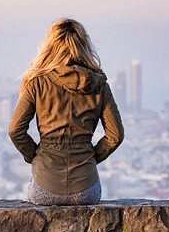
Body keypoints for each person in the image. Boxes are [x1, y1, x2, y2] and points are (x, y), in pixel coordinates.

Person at [8, 18, 124, 205]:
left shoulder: (36, 82)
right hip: (87, 190)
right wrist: (91, 157)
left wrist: (35, 156)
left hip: (45, 187)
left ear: (50, 46)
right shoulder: (99, 85)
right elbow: (115, 136)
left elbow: (15, 130)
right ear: (84, 45)